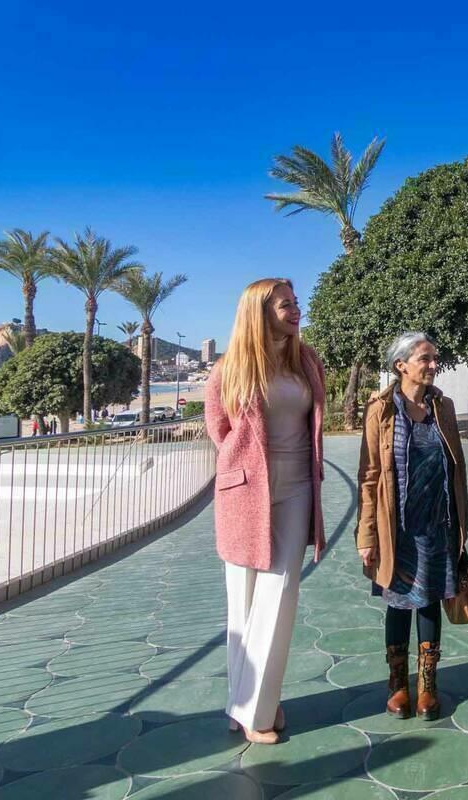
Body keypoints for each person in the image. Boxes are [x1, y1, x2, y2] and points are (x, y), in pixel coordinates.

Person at [204, 277, 327, 744]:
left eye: (296, 304)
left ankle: (254, 710)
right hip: (245, 489)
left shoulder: (306, 361)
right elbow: (219, 429)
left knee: (280, 589)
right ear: (259, 312)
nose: (296, 311)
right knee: (243, 600)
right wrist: (244, 465)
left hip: (296, 484)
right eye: (285, 306)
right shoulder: (229, 369)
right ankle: (248, 702)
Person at [356, 332, 468, 721]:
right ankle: (397, 686)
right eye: (425, 358)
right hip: (397, 528)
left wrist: (461, 528)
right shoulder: (382, 410)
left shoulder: (444, 406)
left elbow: (456, 469)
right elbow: (369, 475)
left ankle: (427, 687)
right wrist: (366, 535)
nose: (433, 365)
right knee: (398, 603)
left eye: (435, 358)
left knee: (430, 601)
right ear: (401, 365)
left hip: (438, 525)